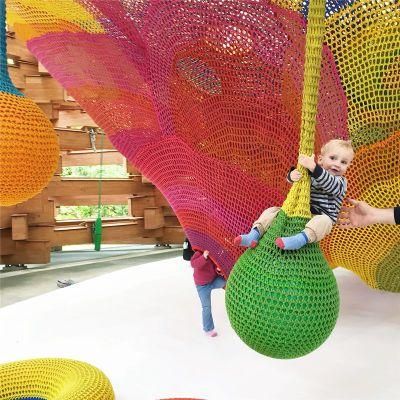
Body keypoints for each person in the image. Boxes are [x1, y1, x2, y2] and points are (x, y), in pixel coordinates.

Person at [234, 139, 355, 250]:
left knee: (324, 222)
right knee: (272, 211)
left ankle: (299, 239)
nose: (337, 164)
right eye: (333, 158)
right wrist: (292, 176)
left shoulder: (341, 182)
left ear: (348, 166)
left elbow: (329, 184)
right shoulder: (311, 173)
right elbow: (299, 181)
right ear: (320, 160)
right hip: (299, 211)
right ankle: (254, 234)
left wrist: (314, 167)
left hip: (320, 216)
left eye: (343, 162)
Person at [190, 249, 226, 337]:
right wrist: (203, 257)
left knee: (225, 281)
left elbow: (215, 269)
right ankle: (208, 329)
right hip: (202, 287)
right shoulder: (198, 253)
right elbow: (193, 264)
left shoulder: (214, 254)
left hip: (213, 281)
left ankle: (230, 290)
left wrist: (218, 270)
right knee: (206, 307)